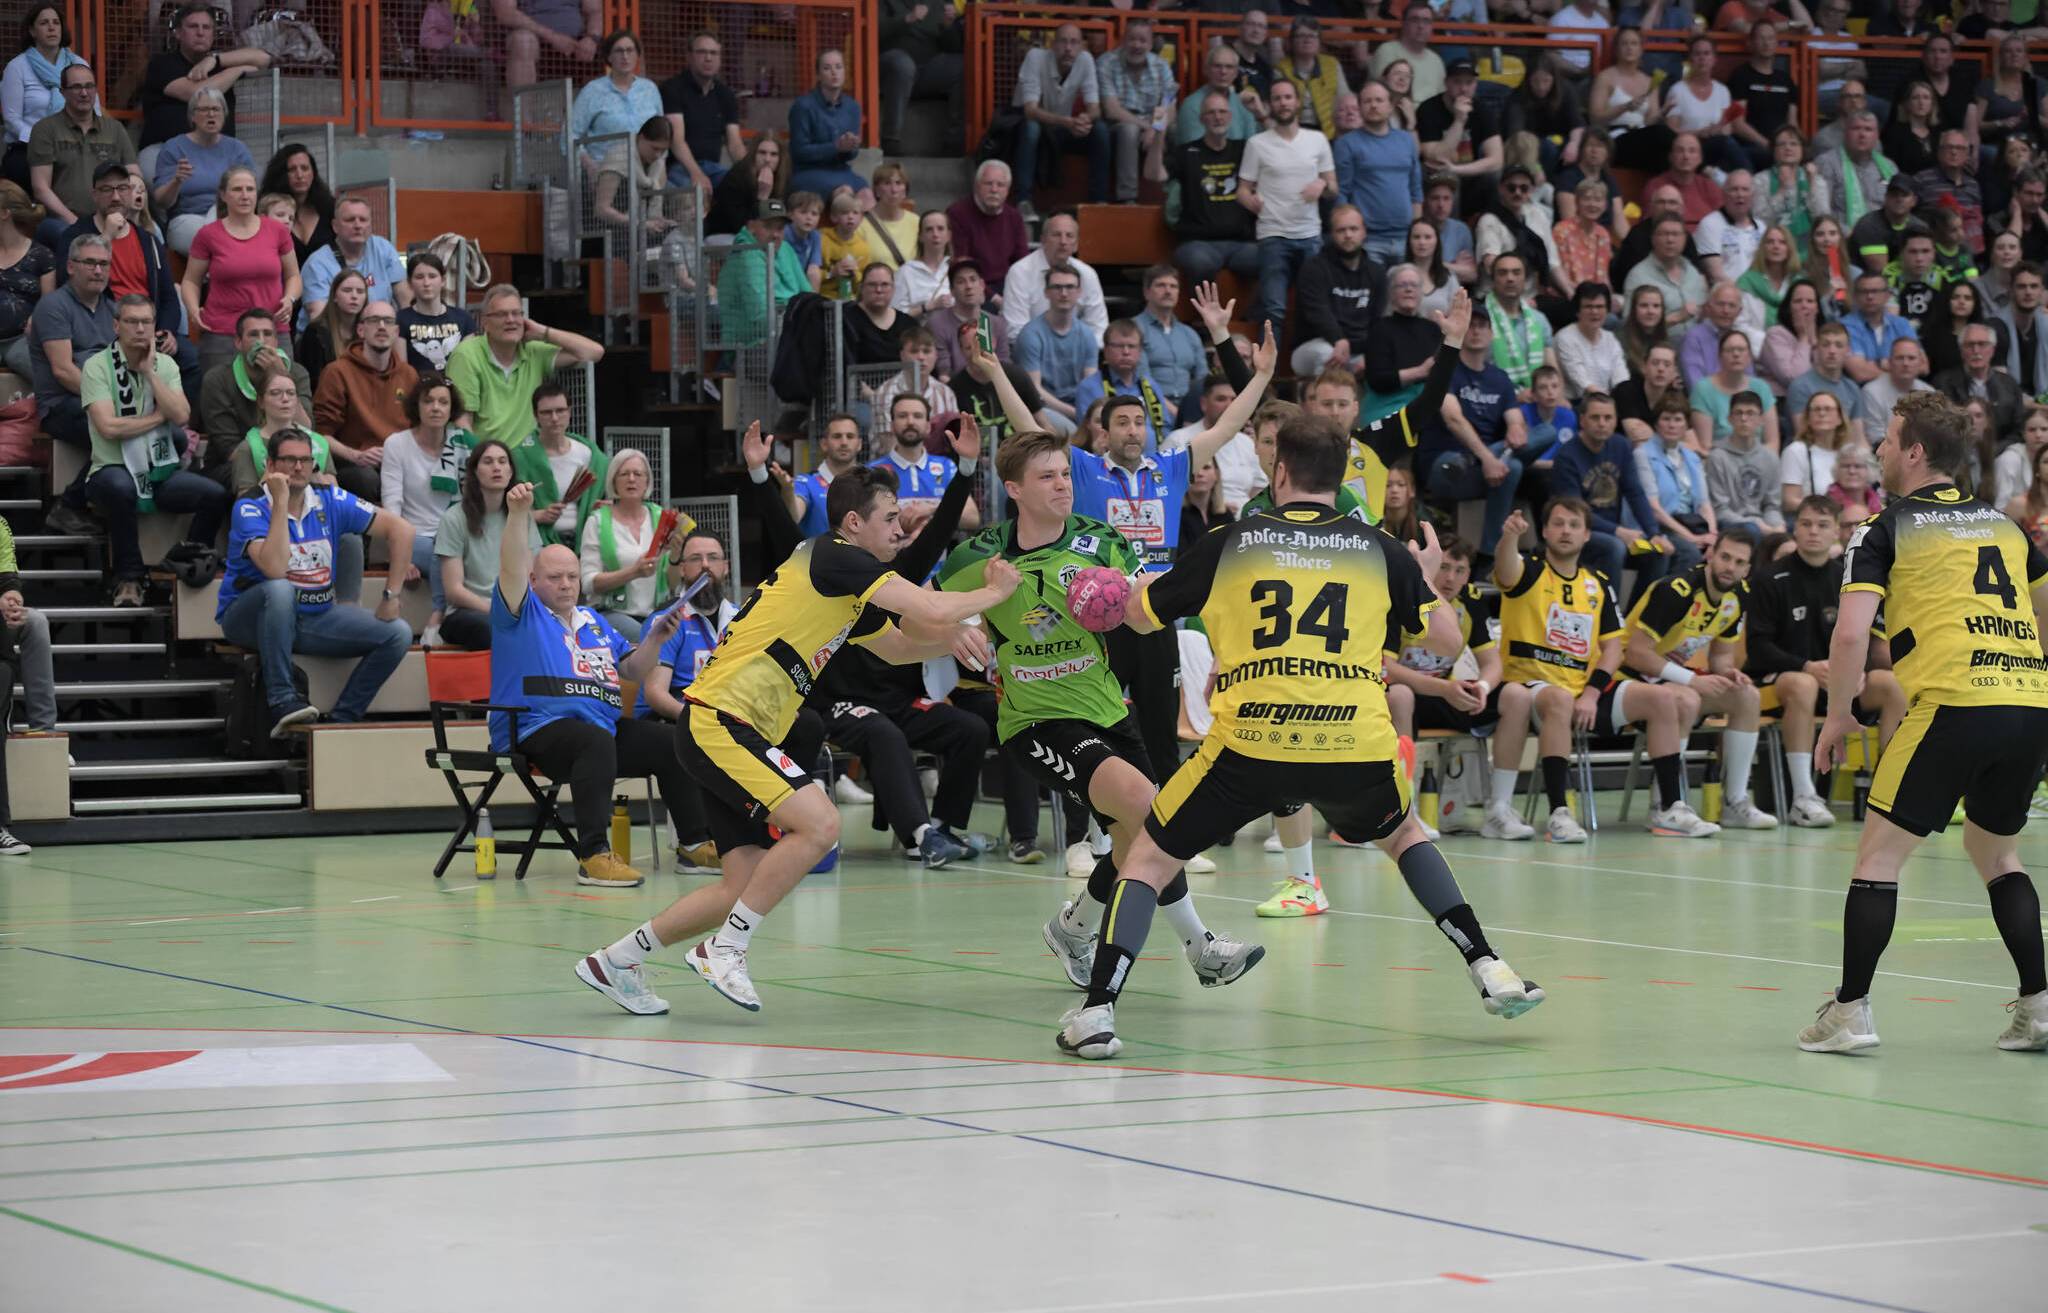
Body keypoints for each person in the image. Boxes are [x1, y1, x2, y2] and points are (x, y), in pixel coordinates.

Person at [1076, 406, 1542, 1057]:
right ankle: (1489, 966)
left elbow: (1139, 616)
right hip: (1353, 743)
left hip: (1251, 744)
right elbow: (1445, 638)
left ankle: (1097, 1012)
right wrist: (1425, 574)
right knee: (1404, 835)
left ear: (1279, 470)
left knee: (1149, 857)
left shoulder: (1232, 541)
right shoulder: (1380, 548)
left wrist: (1122, 586)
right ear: (1341, 473)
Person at [571, 461, 1021, 1017]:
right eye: (889, 518)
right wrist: (993, 593)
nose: (900, 528)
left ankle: (615, 961)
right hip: (724, 719)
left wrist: (951, 640)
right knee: (822, 825)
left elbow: (900, 647)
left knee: (739, 886)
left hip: (723, 726)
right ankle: (725, 950)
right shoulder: (836, 556)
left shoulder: (842, 584)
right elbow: (929, 606)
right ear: (853, 523)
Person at [1798, 392, 2048, 1053]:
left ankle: (1849, 1011)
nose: (1878, 449)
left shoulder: (1882, 528)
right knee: (1996, 852)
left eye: (1886, 439)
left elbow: (1850, 635)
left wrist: (1839, 714)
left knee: (1878, 857)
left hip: (1952, 703)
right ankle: (2039, 1004)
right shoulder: (2005, 525)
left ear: (1913, 452)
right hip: (2028, 701)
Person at [1486, 498, 1716, 842]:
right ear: (1545, 531)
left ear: (1587, 535)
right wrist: (1509, 537)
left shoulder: (1597, 583)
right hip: (1533, 687)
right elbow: (1505, 571)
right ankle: (1560, 814)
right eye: (1558, 523)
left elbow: (1612, 649)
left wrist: (1592, 693)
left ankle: (1670, 807)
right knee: (1560, 699)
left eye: (1574, 525)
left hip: (1584, 689)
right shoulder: (1529, 570)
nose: (1566, 531)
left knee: (1664, 699)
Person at [216, 429, 414, 735]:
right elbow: (275, 568)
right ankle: (283, 700)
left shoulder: (329, 498)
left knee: (398, 633)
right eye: (289, 460)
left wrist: (392, 595)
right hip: (250, 618)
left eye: (305, 460)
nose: (298, 467)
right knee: (280, 589)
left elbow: (401, 530)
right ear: (271, 465)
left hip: (312, 618)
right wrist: (280, 503)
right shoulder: (250, 506)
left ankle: (343, 719)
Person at [1744, 495, 1905, 828]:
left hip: (1838, 683)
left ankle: (1888, 793)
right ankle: (1804, 797)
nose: (1813, 532)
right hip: (1781, 682)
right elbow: (1758, 648)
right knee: (1802, 684)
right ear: (1795, 529)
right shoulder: (1768, 578)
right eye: (1805, 524)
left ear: (1837, 532)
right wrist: (1806, 666)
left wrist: (1860, 672)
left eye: (1822, 525)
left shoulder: (1849, 578)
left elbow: (1864, 638)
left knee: (1891, 685)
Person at [1618, 526, 1778, 829]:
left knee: (1747, 696)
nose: (1730, 567)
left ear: (1747, 569)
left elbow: (1721, 655)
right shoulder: (1676, 591)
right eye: (1725, 557)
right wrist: (1691, 680)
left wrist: (1728, 672)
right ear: (1710, 555)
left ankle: (1735, 802)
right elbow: (1635, 654)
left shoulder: (1739, 596)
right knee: (1686, 698)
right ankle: (1665, 804)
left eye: (1739, 562)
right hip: (1626, 678)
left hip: (1672, 679)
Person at [81, 293, 223, 607]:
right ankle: (129, 578)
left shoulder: (165, 364)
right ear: (116, 326)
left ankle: (186, 561)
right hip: (111, 468)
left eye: (146, 322)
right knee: (121, 487)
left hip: (157, 470)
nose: (140, 329)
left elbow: (182, 415)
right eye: (132, 321)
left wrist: (149, 373)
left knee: (214, 495)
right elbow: (109, 428)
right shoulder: (96, 366)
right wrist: (158, 417)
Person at [1553, 390, 1686, 591]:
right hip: (1578, 532)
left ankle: (1639, 610)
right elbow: (1574, 512)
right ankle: (1610, 608)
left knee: (1657, 551)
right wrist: (1618, 531)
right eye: (1595, 417)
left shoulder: (1621, 445)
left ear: (1616, 420)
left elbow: (1635, 493)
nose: (1602, 423)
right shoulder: (1567, 455)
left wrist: (1654, 533)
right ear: (1582, 420)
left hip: (1614, 531)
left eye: (1608, 418)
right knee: (1614, 547)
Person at [1239, 79, 1335, 349]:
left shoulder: (1317, 140)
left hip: (1310, 235)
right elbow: (1242, 190)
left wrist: (1322, 184)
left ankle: (1310, 369)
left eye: (1288, 97)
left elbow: (1333, 187)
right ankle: (1266, 372)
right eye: (1277, 98)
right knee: (1274, 311)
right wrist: (1250, 201)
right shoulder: (1257, 143)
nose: (1283, 103)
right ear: (1270, 104)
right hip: (1273, 235)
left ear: (1297, 102)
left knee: (1314, 308)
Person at [445, 283, 601, 448]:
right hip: (485, 456)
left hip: (526, 457)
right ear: (485, 322)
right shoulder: (466, 355)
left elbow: (594, 352)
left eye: (516, 313)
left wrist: (543, 332)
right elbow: (462, 423)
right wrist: (484, 458)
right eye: (501, 314)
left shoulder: (533, 350)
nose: (511, 320)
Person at [180, 164, 295, 373]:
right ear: (223, 195)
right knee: (221, 391)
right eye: (237, 189)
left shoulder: (277, 230)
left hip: (272, 327)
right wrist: (193, 309)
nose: (245, 195)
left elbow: (293, 275)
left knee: (279, 388)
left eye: (250, 189)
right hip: (222, 332)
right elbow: (190, 281)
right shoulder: (208, 235)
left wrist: (290, 298)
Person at [380, 372, 470, 640]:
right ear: (416, 407)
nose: (435, 408)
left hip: (456, 535)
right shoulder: (397, 444)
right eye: (428, 401)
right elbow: (392, 502)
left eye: (443, 402)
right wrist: (401, 555)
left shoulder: (463, 443)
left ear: (452, 409)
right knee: (441, 551)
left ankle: (442, 611)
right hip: (413, 537)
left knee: (446, 546)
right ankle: (441, 612)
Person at [433, 438, 538, 651]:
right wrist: (497, 610)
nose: (496, 467)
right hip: (468, 612)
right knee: (491, 629)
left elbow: (529, 575)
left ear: (510, 471)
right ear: (474, 471)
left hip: (513, 608)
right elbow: (454, 590)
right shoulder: (454, 518)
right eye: (488, 462)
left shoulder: (521, 516)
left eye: (502, 461)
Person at [26, 61, 136, 250]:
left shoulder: (115, 129)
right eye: (76, 87)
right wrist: (76, 223)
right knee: (66, 236)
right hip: (63, 220)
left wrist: (123, 215)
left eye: (89, 86)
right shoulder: (45, 129)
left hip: (110, 217)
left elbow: (134, 174)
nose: (84, 93)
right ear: (63, 92)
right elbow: (41, 189)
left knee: (149, 233)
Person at [198, 309, 308, 489]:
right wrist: (276, 467)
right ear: (238, 342)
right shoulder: (217, 379)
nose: (261, 342)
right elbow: (229, 450)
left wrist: (281, 375)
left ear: (276, 341)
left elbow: (306, 428)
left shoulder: (296, 373)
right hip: (232, 462)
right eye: (253, 335)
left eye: (268, 334)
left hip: (291, 458)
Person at [137, 4, 267, 153]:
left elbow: (264, 58)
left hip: (216, 153)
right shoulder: (161, 64)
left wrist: (215, 60)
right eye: (193, 26)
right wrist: (237, 69)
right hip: (165, 150)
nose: (200, 33)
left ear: (213, 34)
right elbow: (196, 94)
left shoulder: (219, 66)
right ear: (178, 33)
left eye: (206, 27)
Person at [1168, 89, 1260, 286]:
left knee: (1269, 258)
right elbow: (1154, 174)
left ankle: (1250, 309)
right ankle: (1204, 309)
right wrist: (1158, 130)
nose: (1218, 117)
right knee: (1201, 263)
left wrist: (1261, 114)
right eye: (1211, 112)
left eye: (1222, 112)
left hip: (1242, 244)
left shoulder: (1245, 149)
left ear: (1230, 116)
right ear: (1202, 119)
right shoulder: (1186, 152)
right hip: (1197, 243)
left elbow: (1280, 150)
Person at [148, 87, 252, 255]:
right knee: (211, 239)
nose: (211, 114)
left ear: (224, 114)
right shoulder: (174, 148)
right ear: (192, 116)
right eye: (204, 109)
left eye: (216, 109)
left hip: (228, 217)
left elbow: (252, 193)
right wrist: (176, 181)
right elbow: (161, 201)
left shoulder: (237, 149)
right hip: (187, 219)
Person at [1290, 204, 1387, 380]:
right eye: (1341, 230)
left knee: (1388, 357)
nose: (1348, 235)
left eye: (1353, 229)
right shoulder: (1314, 268)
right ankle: (1324, 399)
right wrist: (1338, 339)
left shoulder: (1377, 272)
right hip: (1314, 346)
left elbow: (1378, 321)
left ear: (1364, 232)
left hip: (1358, 349)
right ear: (1332, 234)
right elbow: (1318, 312)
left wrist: (1370, 352)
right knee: (1329, 355)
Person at [1, 7, 92, 188]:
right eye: (44, 23)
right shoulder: (17, 67)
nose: (51, 27)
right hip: (28, 149)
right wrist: (41, 140)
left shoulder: (79, 64)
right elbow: (11, 120)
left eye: (56, 23)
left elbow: (94, 111)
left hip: (76, 145)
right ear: (32, 31)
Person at [1336, 80, 1422, 267]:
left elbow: (1415, 189)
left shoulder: (1406, 140)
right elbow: (1342, 191)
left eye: (1379, 100)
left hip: (1405, 236)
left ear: (1391, 106)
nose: (1373, 105)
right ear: (1360, 107)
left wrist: (1416, 231)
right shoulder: (1347, 143)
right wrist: (1349, 233)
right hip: (1369, 239)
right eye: (1367, 101)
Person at [1095, 17, 1174, 206]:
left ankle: (1174, 195)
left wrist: (1154, 129)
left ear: (1151, 44)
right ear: (1123, 40)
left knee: (1177, 130)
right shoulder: (1106, 62)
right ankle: (1127, 198)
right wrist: (1147, 126)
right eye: (1132, 39)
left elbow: (1169, 105)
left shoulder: (1161, 65)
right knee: (1129, 130)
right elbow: (1112, 110)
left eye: (1143, 40)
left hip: (1153, 122)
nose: (1137, 45)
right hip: (1119, 123)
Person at [300, 196, 408, 329]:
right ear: (335, 226)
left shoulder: (383, 249)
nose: (357, 225)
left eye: (363, 220)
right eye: (350, 220)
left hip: (378, 332)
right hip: (332, 335)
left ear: (370, 224)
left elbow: (405, 299)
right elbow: (319, 319)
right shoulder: (317, 263)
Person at [1013, 266, 1097, 437]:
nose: (1064, 293)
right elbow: (1034, 390)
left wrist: (1087, 414)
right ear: (1046, 292)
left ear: (1079, 292)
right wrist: (1076, 413)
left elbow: (1090, 385)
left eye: (1070, 287)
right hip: (1043, 409)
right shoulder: (1031, 334)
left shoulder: (1087, 334)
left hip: (1079, 408)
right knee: (1075, 434)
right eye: (1057, 287)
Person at [999, 210, 1107, 340]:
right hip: (1032, 348)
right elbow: (1016, 329)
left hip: (1077, 349)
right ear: (1043, 240)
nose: (1063, 241)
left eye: (1069, 236)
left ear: (1076, 244)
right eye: (1056, 235)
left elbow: (1099, 328)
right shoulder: (1020, 272)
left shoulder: (1087, 274)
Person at [1074, 319, 1175, 454]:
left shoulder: (1150, 385)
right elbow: (1089, 435)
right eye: (1119, 346)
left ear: (1140, 351)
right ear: (1106, 350)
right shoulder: (1089, 387)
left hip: (1154, 461)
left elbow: (1165, 428)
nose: (1126, 352)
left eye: (1131, 346)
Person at [660, 30, 742, 193]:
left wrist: (751, 172)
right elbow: (677, 141)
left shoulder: (726, 94)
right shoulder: (672, 89)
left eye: (714, 53)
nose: (708, 58)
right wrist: (696, 173)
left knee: (743, 188)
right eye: (702, 52)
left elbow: (735, 144)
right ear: (689, 57)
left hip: (714, 168)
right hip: (680, 168)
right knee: (694, 194)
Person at [569, 29, 660, 171]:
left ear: (637, 55)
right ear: (609, 57)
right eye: (619, 51)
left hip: (645, 168)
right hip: (606, 169)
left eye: (630, 50)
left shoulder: (650, 89)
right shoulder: (593, 90)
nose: (625, 56)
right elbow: (570, 134)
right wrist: (589, 165)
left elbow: (661, 133)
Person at [1415, 59, 1503, 200]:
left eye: (1469, 82)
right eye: (1457, 82)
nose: (1463, 88)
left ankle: (1488, 215)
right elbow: (1437, 159)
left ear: (1476, 84)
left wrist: (1456, 169)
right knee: (1447, 177)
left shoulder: (1483, 110)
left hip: (1467, 172)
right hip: (1435, 176)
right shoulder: (1428, 109)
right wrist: (1459, 121)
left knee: (1495, 175)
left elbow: (1497, 160)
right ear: (1446, 83)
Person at [1704, 389, 1786, 536]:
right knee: (1753, 531)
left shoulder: (1770, 458)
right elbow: (1720, 509)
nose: (1744, 418)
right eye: (1738, 413)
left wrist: (1777, 526)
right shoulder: (1717, 457)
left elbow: (1772, 505)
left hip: (1763, 524)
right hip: (1730, 525)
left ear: (1761, 420)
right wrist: (1756, 525)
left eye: (1750, 413)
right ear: (1729, 418)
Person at [945, 161, 1029, 300]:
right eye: (988, 183)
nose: (994, 190)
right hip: (972, 287)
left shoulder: (1014, 217)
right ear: (977, 186)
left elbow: (1022, 263)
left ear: (1007, 190)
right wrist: (994, 298)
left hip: (1008, 286)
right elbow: (961, 266)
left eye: (1000, 185)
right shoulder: (957, 214)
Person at [1936, 321, 2028, 446]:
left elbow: (2019, 429)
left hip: (2001, 450)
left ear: (1992, 350)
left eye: (1982, 344)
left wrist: (1995, 451)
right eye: (1970, 345)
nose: (1976, 350)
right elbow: (1941, 427)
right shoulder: (1943, 383)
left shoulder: (2009, 385)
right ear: (1961, 350)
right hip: (1957, 449)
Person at [1624, 217, 1710, 346]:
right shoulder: (1638, 276)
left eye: (1675, 234)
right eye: (1664, 234)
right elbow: (1630, 327)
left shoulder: (1693, 272)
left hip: (1696, 346)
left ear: (1685, 239)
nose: (1670, 240)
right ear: (1653, 239)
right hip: (1658, 347)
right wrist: (1677, 317)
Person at [1693, 329, 1782, 449]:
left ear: (1749, 356)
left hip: (1758, 458)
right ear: (1719, 356)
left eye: (1741, 350)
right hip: (1719, 457)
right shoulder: (1703, 389)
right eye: (1729, 350)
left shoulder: (1762, 388)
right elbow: (1705, 446)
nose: (1736, 354)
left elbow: (1773, 442)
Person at [491, 0, 601, 94]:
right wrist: (552, 37)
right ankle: (524, 111)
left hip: (576, 44)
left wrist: (591, 38)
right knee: (523, 41)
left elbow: (595, 12)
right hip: (534, 40)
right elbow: (505, 13)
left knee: (606, 50)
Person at [394, 253, 474, 376]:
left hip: (455, 385)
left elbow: (468, 366)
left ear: (443, 281)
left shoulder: (463, 319)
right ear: (410, 283)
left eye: (432, 276)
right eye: (419, 277)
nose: (426, 283)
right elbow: (401, 371)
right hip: (417, 386)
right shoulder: (400, 319)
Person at [259, 143, 334, 271]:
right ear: (281, 174)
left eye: (305, 168)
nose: (299, 175)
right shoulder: (266, 208)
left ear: (313, 173)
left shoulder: (329, 208)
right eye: (292, 169)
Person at [1555, 281, 1628, 401]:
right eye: (1588, 307)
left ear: (1607, 310)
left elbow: (1621, 377)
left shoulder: (1610, 339)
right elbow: (1582, 382)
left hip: (1606, 401)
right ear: (1578, 311)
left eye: (1600, 307)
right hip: (1577, 403)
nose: (1594, 312)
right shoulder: (1565, 338)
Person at [1681, 281, 1760, 390]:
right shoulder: (1694, 338)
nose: (1726, 311)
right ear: (1708, 307)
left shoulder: (1740, 340)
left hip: (1741, 399)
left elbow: (1751, 381)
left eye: (1732, 305)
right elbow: (1695, 385)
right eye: (1720, 304)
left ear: (1739, 311)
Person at [1780, 388, 1851, 510]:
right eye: (1816, 409)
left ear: (1840, 418)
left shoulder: (1846, 453)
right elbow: (1790, 500)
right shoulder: (1796, 451)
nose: (1822, 414)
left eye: (1828, 409)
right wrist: (1829, 512)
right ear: (1808, 419)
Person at [702, 135, 785, 239]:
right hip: (725, 234)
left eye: (773, 154)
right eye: (762, 153)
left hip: (762, 236)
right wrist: (762, 198)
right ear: (753, 155)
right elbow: (741, 226)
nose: (767, 159)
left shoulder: (782, 178)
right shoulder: (737, 177)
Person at [1694, 171, 1764, 284]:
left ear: (1753, 195)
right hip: (1726, 292)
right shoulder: (1710, 224)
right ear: (1724, 194)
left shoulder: (1761, 227)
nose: (1740, 194)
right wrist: (1742, 292)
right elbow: (1716, 275)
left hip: (1759, 291)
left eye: (1745, 189)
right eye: (1734, 189)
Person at [1992, 261, 2048, 400]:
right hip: (2008, 403)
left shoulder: (2046, 323)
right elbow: (1999, 387)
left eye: (2034, 286)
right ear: (2010, 290)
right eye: (2021, 286)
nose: (2028, 292)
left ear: (2042, 291)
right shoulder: (1995, 326)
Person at [1861, 336, 1935, 420]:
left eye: (1911, 358)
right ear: (1889, 362)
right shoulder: (1871, 392)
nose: (1906, 363)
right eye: (1900, 358)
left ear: (1920, 363)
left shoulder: (1929, 392)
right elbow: (1874, 429)